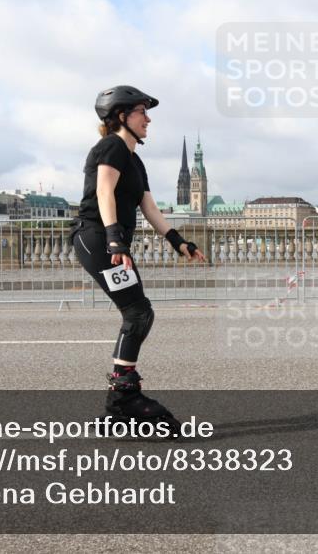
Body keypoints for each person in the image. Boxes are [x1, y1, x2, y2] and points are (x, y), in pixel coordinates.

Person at [70, 85, 206, 433]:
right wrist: (116, 242)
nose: (148, 119)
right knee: (137, 312)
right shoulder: (111, 146)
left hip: (109, 241)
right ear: (121, 116)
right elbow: (103, 191)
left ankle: (122, 397)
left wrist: (178, 241)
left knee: (140, 312)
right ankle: (123, 397)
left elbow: (148, 207)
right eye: (142, 112)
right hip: (96, 238)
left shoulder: (134, 158)